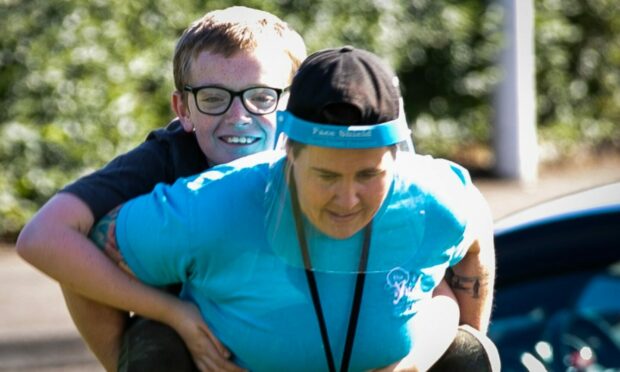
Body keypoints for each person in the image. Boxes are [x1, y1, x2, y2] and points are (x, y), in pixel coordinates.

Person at [23, 46, 498, 371]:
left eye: (370, 176)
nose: (348, 199)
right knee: (155, 349)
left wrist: (424, 354)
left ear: (396, 159)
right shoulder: (208, 205)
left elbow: (476, 234)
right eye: (327, 176)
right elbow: (74, 251)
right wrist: (160, 323)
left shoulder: (436, 194)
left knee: (470, 353)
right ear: (288, 152)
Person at [16, 6, 306, 371]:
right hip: (193, 336)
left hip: (292, 327)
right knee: (91, 246)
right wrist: (174, 314)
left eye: (262, 97)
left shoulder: (322, 158)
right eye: (213, 98)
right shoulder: (166, 157)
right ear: (183, 108)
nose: (239, 116)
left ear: (294, 104)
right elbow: (42, 237)